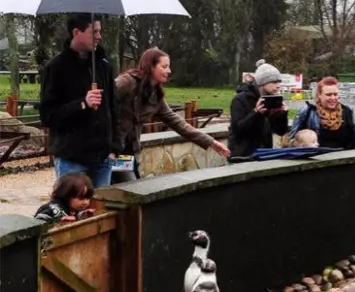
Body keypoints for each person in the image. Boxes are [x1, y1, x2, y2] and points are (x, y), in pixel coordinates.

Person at [112, 48, 230, 183]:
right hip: (107, 149)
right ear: (151, 67)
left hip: (127, 154)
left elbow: (178, 123)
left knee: (130, 189)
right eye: (164, 66)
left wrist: (211, 142)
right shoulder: (126, 82)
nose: (169, 71)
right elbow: (103, 104)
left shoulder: (156, 96)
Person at [39, 13, 122, 188]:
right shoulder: (55, 69)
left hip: (103, 159)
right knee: (74, 213)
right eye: (95, 32)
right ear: (77, 33)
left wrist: (114, 148)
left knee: (101, 213)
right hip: (72, 158)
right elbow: (48, 116)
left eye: (100, 31)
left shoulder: (104, 67)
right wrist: (82, 104)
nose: (99, 36)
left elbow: (114, 109)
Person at [228, 59, 289, 159]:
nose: (278, 86)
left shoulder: (271, 99)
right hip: (242, 155)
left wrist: (282, 114)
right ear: (262, 82)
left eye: (279, 82)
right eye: (274, 82)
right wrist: (256, 112)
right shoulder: (240, 99)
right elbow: (238, 129)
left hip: (264, 154)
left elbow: (280, 131)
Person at [289, 76, 355, 150]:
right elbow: (292, 140)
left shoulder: (348, 111)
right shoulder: (307, 112)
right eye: (329, 95)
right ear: (319, 95)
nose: (333, 98)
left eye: (335, 94)